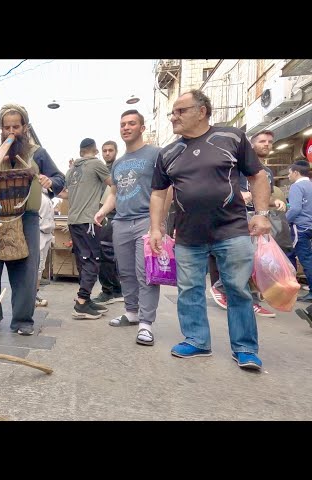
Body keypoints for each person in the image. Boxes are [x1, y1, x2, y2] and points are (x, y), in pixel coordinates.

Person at [149, 89, 271, 371]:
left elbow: (257, 175)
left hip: (232, 230)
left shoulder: (231, 137)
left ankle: (245, 348)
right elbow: (158, 193)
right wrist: (156, 228)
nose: (173, 117)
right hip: (188, 235)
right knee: (188, 289)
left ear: (201, 111)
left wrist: (262, 214)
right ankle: (196, 340)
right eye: (172, 113)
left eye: (180, 111)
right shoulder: (168, 152)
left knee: (237, 290)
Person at [0, 104, 65, 335]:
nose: (11, 132)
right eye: (7, 127)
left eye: (16, 127)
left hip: (27, 217)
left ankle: (23, 321)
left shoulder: (37, 153)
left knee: (26, 271)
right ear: (1, 129)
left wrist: (51, 182)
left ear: (25, 127)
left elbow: (60, 178)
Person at [94, 110, 163, 347]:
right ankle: (131, 312)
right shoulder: (119, 163)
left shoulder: (155, 154)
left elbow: (165, 189)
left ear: (142, 128)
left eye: (132, 123)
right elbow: (114, 192)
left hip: (145, 220)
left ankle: (146, 323)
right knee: (125, 271)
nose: (126, 127)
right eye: (122, 124)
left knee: (146, 273)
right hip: (120, 222)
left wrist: (159, 224)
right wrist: (103, 211)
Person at [209, 129, 286, 317]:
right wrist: (239, 194)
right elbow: (223, 186)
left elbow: (260, 194)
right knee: (246, 258)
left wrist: (273, 201)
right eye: (262, 141)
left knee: (258, 260)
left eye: (269, 141)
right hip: (238, 217)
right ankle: (222, 288)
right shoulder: (239, 166)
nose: (266, 144)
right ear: (252, 144)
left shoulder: (267, 171)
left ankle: (249, 299)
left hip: (259, 218)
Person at [60, 138, 110, 319]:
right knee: (93, 260)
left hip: (73, 221)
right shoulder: (97, 164)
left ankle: (86, 300)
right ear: (95, 151)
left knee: (83, 260)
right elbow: (115, 185)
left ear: (81, 152)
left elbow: (64, 194)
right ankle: (81, 303)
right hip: (89, 220)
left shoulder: (71, 170)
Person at [93, 140, 124, 305]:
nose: (107, 153)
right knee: (108, 254)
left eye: (110, 150)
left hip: (114, 215)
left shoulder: (119, 168)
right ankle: (116, 289)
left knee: (106, 254)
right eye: (104, 151)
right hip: (103, 214)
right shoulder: (100, 169)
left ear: (116, 151)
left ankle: (108, 290)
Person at [286, 162, 312, 302]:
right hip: (310, 226)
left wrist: (285, 220)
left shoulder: (297, 186)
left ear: (296, 172)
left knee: (305, 259)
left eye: (290, 172)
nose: (288, 175)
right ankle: (291, 285)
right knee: (291, 254)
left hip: (300, 227)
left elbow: (295, 209)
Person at [36, 188, 55, 307]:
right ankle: (32, 296)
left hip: (47, 233)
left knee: (41, 267)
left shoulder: (47, 196)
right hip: (39, 232)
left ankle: (35, 294)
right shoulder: (39, 196)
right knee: (37, 267)